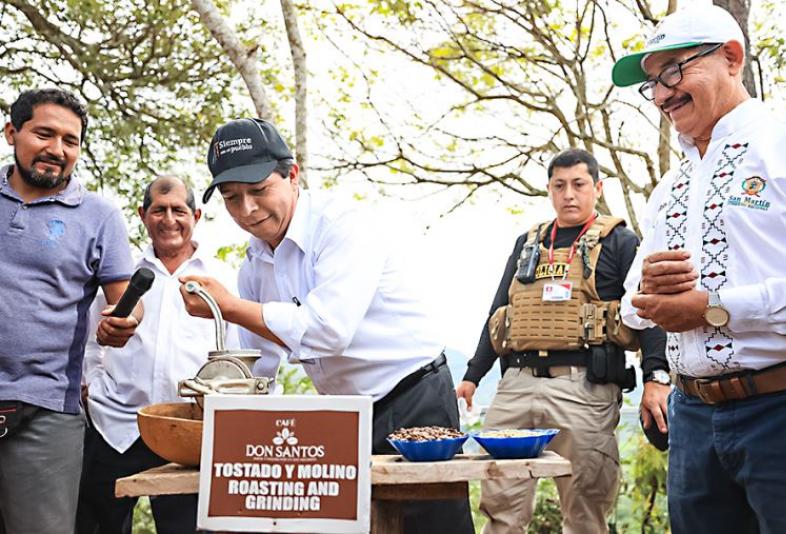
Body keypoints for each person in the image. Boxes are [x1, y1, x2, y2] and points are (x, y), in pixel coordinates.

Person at [178, 118, 474, 534]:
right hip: (345, 415)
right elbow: (259, 366)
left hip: (413, 396)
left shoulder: (343, 226)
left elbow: (329, 331)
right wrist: (229, 417)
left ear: (292, 175)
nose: (247, 210)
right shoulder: (255, 261)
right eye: (231, 197)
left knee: (432, 526)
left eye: (259, 190)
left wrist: (227, 307)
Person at [612, 4, 786, 533]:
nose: (661, 94)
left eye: (674, 71)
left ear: (732, 58)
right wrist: (649, 294)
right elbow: (631, 309)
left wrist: (716, 307)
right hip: (692, 418)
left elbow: (710, 307)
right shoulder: (669, 187)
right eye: (652, 82)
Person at [457, 148, 668, 534]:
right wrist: (472, 376)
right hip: (516, 385)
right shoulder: (528, 243)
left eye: (578, 184)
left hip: (584, 388)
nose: (569, 194)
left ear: (597, 188)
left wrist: (657, 376)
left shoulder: (620, 242)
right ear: (550, 190)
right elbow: (500, 310)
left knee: (585, 510)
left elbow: (649, 310)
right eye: (559, 185)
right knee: (501, 508)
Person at [0, 88, 140, 534]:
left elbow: (126, 302)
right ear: (12, 132)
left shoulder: (100, 216)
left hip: (48, 410)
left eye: (70, 141)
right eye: (44, 134)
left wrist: (124, 321)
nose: (57, 150)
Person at [76, 176, 240, 533]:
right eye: (158, 210)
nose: (169, 220)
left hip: (188, 432)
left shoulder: (221, 279)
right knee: (95, 524)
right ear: (142, 215)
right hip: (117, 423)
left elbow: (236, 354)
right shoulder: (121, 275)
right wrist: (96, 386)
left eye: (178, 210)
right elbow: (91, 341)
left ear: (196, 216)